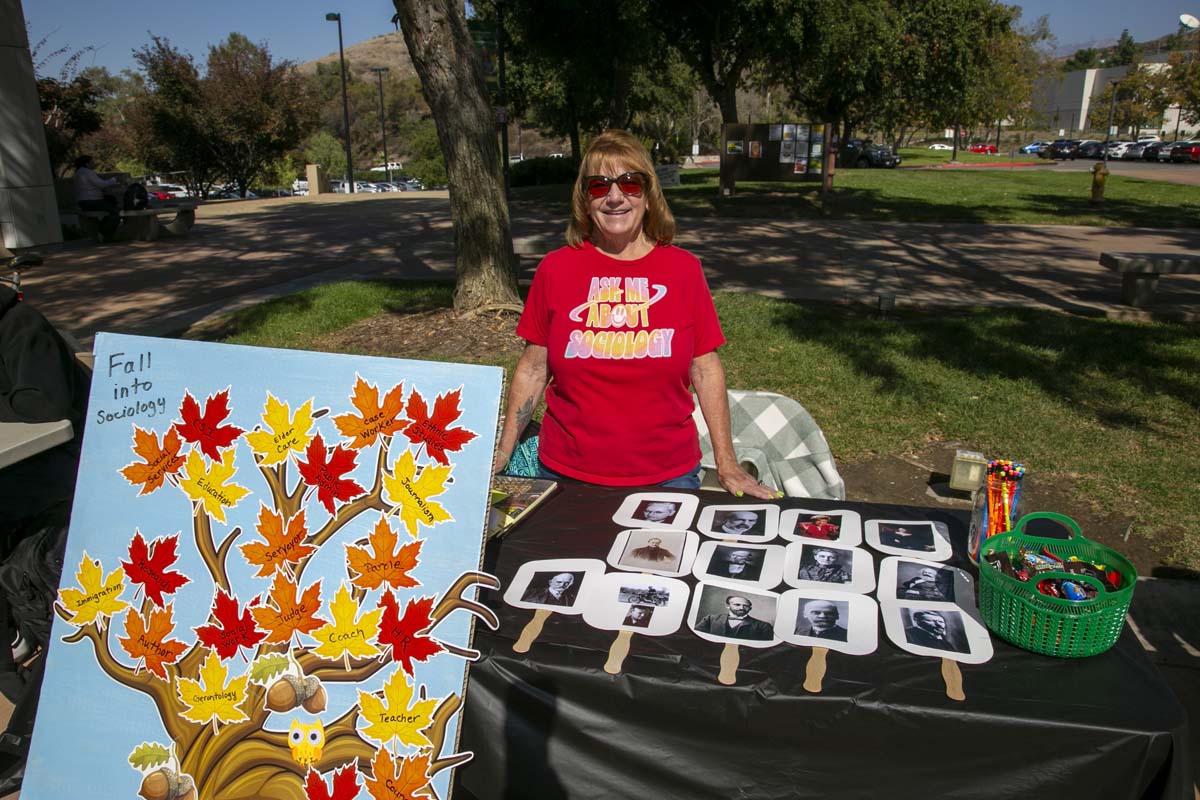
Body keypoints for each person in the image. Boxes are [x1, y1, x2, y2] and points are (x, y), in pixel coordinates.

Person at [492, 130, 777, 501]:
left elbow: (705, 369)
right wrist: (503, 452)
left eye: (629, 183)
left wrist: (727, 463)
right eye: (599, 186)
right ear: (584, 199)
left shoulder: (684, 270)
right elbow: (533, 369)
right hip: (566, 476)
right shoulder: (555, 269)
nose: (615, 197)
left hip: (668, 479)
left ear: (648, 194)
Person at [72, 155, 121, 242]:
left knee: (111, 201)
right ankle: (104, 232)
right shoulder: (87, 172)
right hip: (91, 202)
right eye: (92, 162)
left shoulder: (78, 172)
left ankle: (104, 230)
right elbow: (101, 184)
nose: (94, 163)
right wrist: (113, 179)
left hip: (83, 202)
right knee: (116, 211)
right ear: (87, 164)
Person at [695, 595, 773, 641]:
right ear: (728, 606)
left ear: (750, 608)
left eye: (745, 606)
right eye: (737, 605)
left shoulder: (764, 626)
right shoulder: (710, 619)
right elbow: (697, 636)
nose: (741, 608)